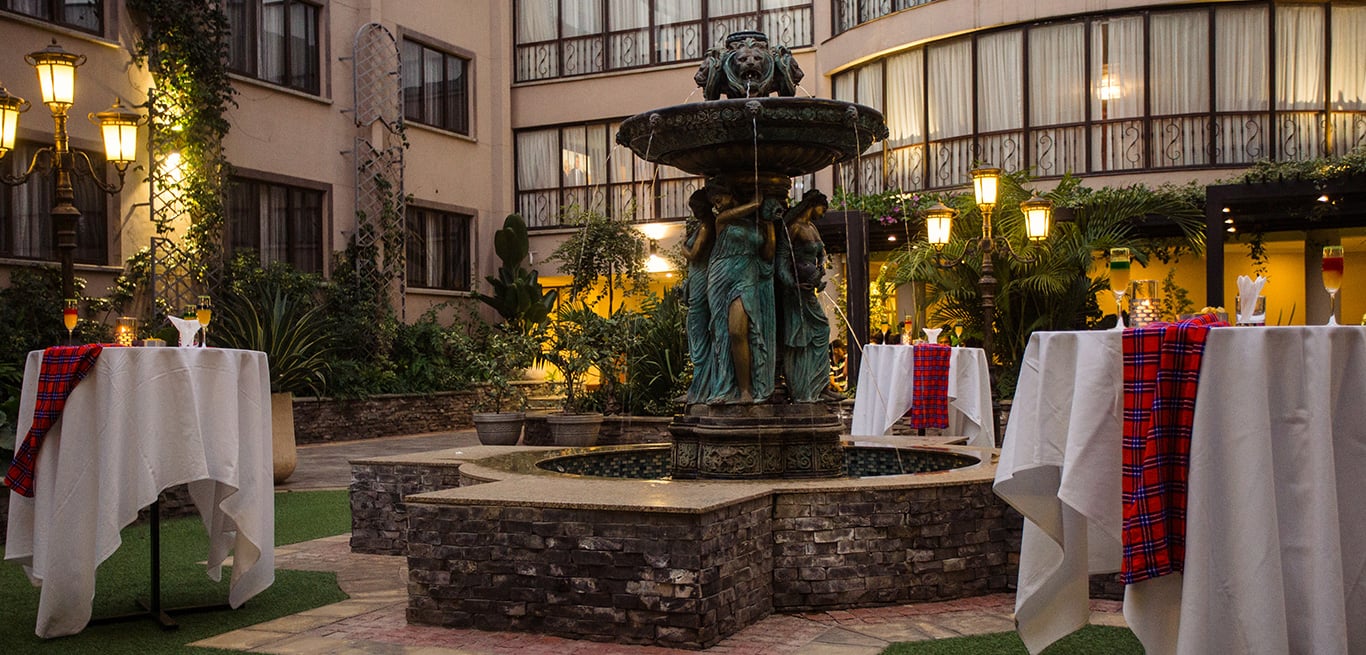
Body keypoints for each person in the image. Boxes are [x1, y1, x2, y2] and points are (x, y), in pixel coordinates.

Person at [703, 180, 775, 404]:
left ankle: (746, 389)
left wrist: (769, 223)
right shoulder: (722, 220)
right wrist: (756, 203)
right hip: (721, 278)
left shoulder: (755, 224)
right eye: (713, 201)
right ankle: (731, 387)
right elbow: (750, 205)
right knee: (724, 333)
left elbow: (768, 254)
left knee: (738, 330)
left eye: (719, 198)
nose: (716, 204)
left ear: (731, 194)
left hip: (746, 276)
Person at [776, 190, 832, 402]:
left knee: (821, 330)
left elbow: (821, 253)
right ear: (813, 205)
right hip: (796, 290)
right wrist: (792, 284)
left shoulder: (812, 227)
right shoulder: (794, 228)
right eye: (822, 209)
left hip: (809, 285)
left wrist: (821, 266)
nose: (823, 214)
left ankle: (820, 385)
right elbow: (782, 258)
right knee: (800, 336)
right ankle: (803, 389)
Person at [682, 189, 716, 404]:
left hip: (701, 277)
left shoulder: (706, 227)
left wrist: (683, 248)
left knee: (698, 327)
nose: (693, 212)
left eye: (694, 207)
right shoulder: (709, 224)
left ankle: (701, 388)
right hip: (699, 276)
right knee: (697, 328)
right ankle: (700, 386)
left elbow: (694, 254)